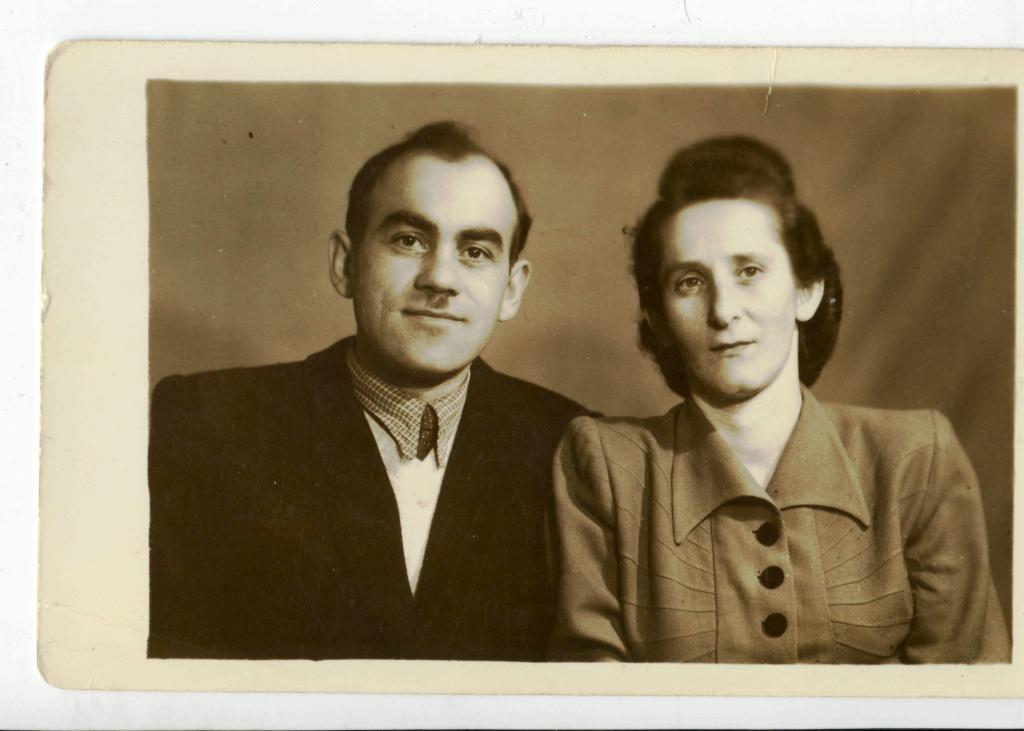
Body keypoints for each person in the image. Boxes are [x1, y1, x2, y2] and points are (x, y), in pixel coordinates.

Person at [550, 136, 1009, 663]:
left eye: (749, 271)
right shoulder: (607, 466)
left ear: (806, 290)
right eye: (690, 282)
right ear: (659, 320)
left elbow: (959, 691)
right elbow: (593, 692)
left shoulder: (914, 459)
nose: (724, 310)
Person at [148, 121, 589, 660]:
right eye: (409, 240)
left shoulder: (571, 446)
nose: (440, 278)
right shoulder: (207, 423)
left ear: (512, 289)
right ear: (346, 263)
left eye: (475, 251)